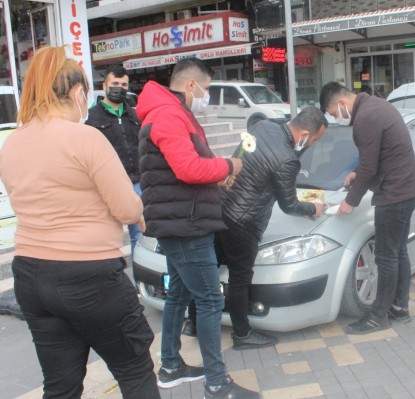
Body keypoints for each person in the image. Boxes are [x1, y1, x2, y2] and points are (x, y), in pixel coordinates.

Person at [0, 46, 159, 398]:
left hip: (30, 275)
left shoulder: (12, 143)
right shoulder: (84, 137)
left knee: (61, 385)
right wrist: (137, 208)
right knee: (134, 370)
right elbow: (126, 208)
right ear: (75, 93)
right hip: (89, 277)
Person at [137, 57, 257, 399]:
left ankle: (172, 367)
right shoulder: (167, 114)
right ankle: (217, 383)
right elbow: (189, 169)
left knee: (179, 293)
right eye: (207, 89)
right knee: (208, 299)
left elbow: (179, 170)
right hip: (186, 226)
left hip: (181, 218)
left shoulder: (169, 113)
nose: (207, 96)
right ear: (192, 85)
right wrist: (228, 165)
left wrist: (216, 180)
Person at [216, 107, 328, 349]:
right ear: (305, 134)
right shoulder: (287, 159)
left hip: (221, 208)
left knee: (210, 268)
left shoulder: (262, 127)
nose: (314, 145)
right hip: (243, 223)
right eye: (316, 140)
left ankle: (194, 322)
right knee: (239, 278)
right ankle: (242, 334)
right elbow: (289, 205)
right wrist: (313, 209)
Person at [320, 82, 415, 335]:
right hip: (408, 189)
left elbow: (369, 167)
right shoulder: (377, 105)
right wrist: (356, 173)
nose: (336, 118)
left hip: (394, 194)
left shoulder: (366, 117)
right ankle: (399, 307)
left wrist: (349, 202)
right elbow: (375, 157)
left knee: (387, 256)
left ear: (342, 104)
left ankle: (378, 316)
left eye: (334, 113)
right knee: (398, 252)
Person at [86, 64, 142, 256]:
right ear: (105, 86)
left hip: (137, 184)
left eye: (124, 84)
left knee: (140, 237)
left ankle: (139, 285)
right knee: (109, 239)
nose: (120, 88)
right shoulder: (91, 118)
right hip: (107, 187)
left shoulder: (135, 115)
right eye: (115, 83)